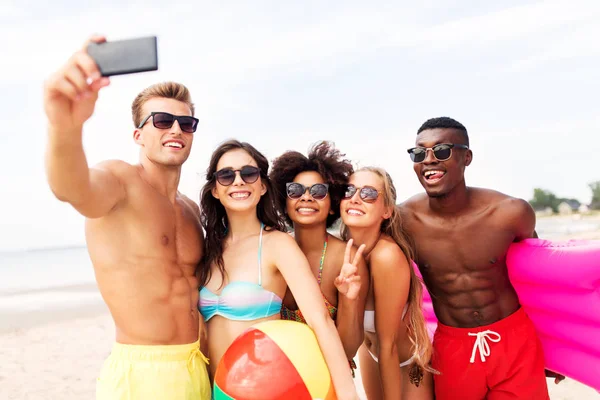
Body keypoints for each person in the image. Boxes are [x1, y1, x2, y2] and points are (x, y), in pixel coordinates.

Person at [44, 36, 210, 400]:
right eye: (163, 120)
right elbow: (72, 188)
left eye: (186, 122)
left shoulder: (191, 210)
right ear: (139, 134)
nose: (176, 129)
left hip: (198, 367)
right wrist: (65, 127)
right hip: (142, 374)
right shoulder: (120, 183)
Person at [399, 116, 564, 400]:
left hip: (514, 341)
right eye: (419, 153)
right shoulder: (404, 221)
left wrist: (553, 350)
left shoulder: (509, 213)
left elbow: (537, 281)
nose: (428, 160)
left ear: (467, 157)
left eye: (441, 151)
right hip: (452, 347)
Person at [198, 140, 360, 400]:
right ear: (215, 190)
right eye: (226, 175)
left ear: (262, 186)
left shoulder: (278, 244)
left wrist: (348, 395)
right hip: (211, 391)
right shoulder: (209, 249)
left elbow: (321, 323)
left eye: (248, 173)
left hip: (265, 391)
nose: (238, 181)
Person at [270, 141, 369, 377]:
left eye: (318, 191)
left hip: (326, 380)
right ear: (285, 200)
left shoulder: (346, 258)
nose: (306, 197)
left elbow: (347, 348)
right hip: (275, 378)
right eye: (295, 190)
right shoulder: (273, 248)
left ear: (333, 204)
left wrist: (349, 300)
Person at [340, 167, 435, 400]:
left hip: (406, 359)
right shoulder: (342, 250)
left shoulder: (387, 257)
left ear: (387, 211)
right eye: (349, 190)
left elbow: (389, 343)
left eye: (369, 194)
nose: (355, 198)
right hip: (369, 351)